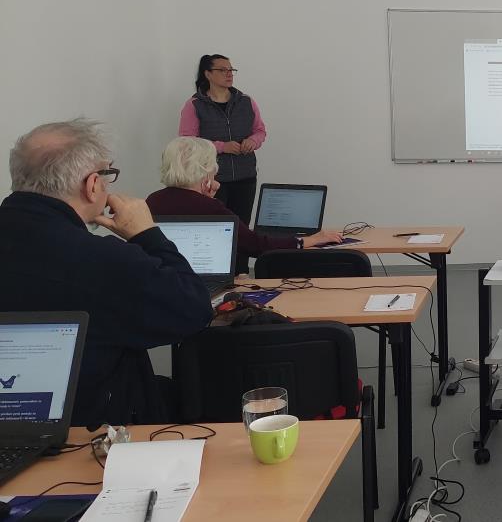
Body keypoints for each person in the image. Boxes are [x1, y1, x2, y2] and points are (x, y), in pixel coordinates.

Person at [0, 120, 213, 428]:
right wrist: (147, 234)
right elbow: (193, 309)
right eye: (107, 175)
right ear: (92, 185)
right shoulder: (102, 260)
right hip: (90, 440)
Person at [146, 138, 342, 271]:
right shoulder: (210, 208)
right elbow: (257, 246)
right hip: (198, 286)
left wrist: (208, 199)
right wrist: (310, 240)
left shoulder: (151, 201)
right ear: (205, 171)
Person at [179, 54, 266, 225]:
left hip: (245, 177)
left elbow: (260, 130)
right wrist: (221, 147)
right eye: (222, 70)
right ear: (208, 74)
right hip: (211, 180)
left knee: (242, 227)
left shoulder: (246, 101)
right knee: (214, 227)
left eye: (231, 70)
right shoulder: (194, 105)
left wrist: (253, 141)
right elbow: (187, 141)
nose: (229, 74)